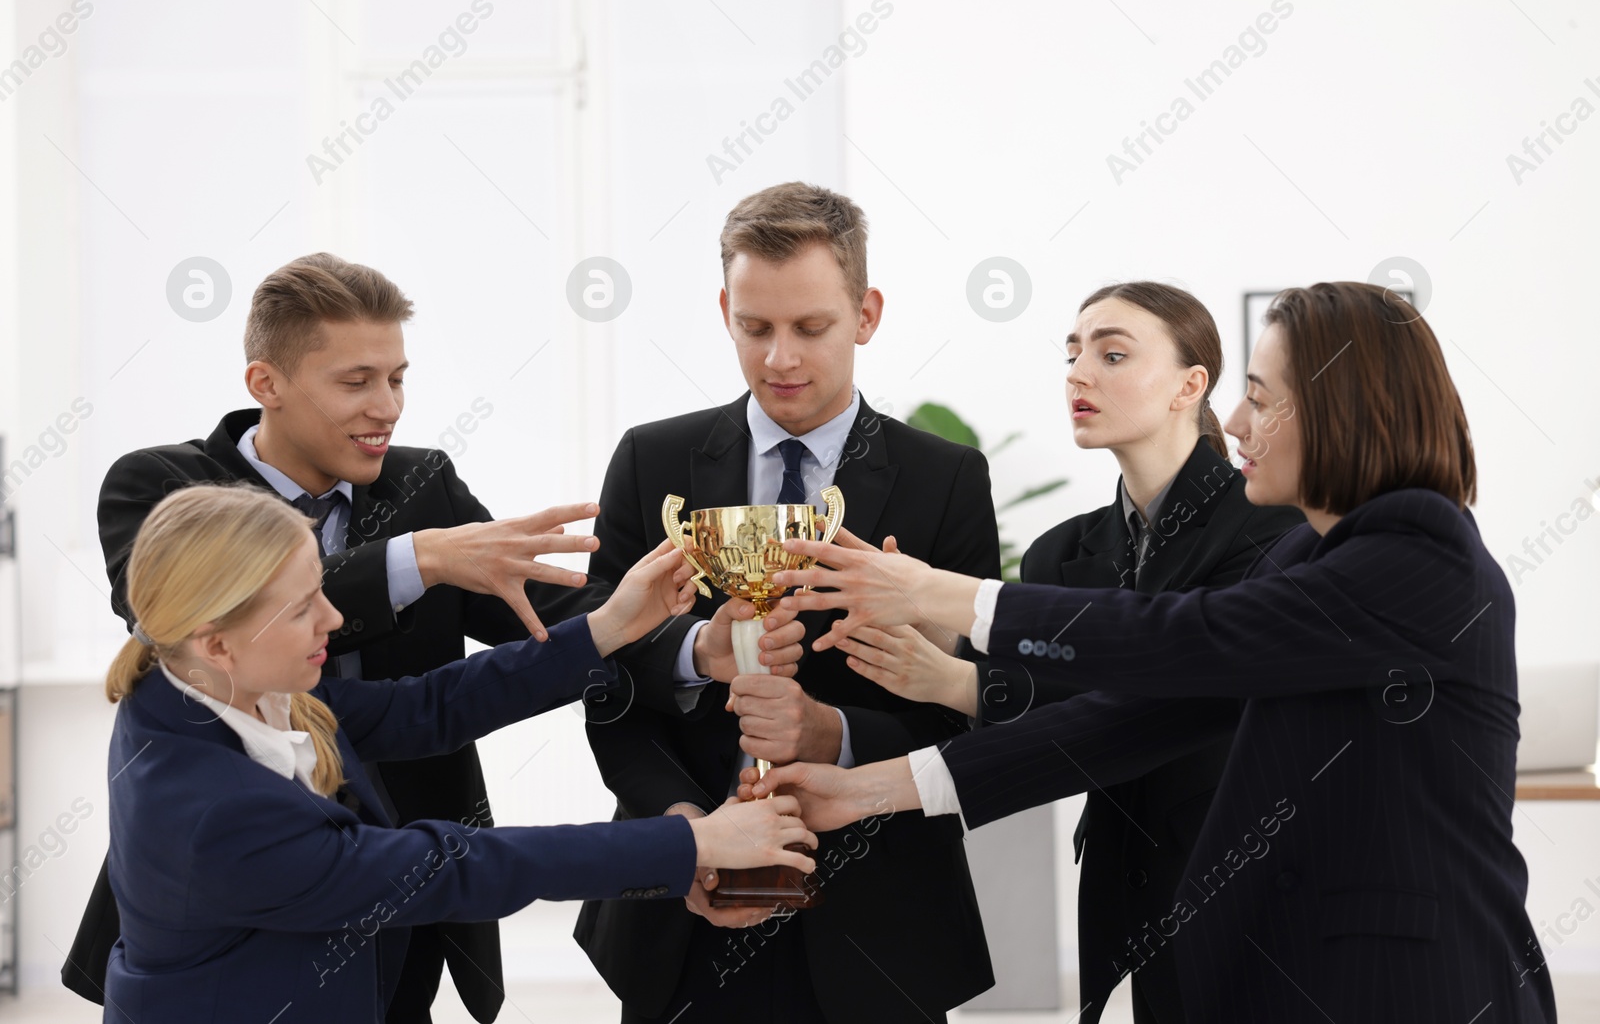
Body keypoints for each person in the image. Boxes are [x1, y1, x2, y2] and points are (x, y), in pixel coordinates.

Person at [747, 282, 1557, 1022]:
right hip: (1298, 970)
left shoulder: (1418, 547)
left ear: (1339, 409)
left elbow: (1184, 637)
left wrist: (935, 592)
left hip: (1420, 985)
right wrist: (862, 792)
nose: (1236, 425)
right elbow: (1128, 722)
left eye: (1260, 399)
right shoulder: (1307, 559)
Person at [66, 252, 809, 1022]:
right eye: (356, 381)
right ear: (267, 383)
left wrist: (656, 634)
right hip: (270, 946)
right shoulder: (162, 493)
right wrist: (420, 557)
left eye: (397, 377)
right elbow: (462, 861)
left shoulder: (243, 698)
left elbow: (436, 700)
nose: (387, 405)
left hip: (393, 933)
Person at [100, 483, 814, 1021]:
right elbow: (454, 867)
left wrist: (611, 624)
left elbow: (427, 706)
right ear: (214, 638)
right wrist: (692, 841)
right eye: (301, 609)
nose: (335, 618)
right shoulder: (215, 813)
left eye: (320, 589)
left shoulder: (206, 684)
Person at [574, 182, 999, 1023]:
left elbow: (971, 703)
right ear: (725, 309)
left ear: (866, 313)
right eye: (756, 328)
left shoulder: (945, 479)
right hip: (680, 919)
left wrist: (830, 734)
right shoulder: (649, 461)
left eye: (810, 328)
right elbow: (601, 680)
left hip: (883, 922)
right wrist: (682, 832)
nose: (780, 359)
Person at [837, 281, 1302, 1023]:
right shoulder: (1062, 551)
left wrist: (961, 676)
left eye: (1112, 354)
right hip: (1125, 876)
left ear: (1192, 384)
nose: (1079, 373)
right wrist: (932, 639)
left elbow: (1166, 681)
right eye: (1073, 353)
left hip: (1245, 867)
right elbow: (1049, 715)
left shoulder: (1275, 528)